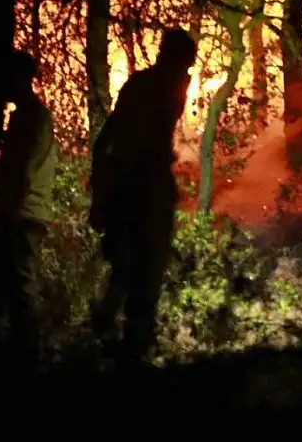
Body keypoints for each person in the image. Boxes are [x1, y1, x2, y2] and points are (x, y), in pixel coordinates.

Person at [89, 28, 197, 369]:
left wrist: (101, 190)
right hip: (141, 191)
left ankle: (110, 339)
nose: (188, 73)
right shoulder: (162, 88)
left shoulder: (146, 85)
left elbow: (110, 136)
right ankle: (128, 351)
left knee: (128, 273)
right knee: (142, 276)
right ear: (174, 60)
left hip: (133, 189)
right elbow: (126, 138)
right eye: (186, 65)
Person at [0, 51, 58, 370]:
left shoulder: (33, 117)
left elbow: (25, 167)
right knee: (8, 284)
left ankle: (29, 358)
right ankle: (19, 354)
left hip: (24, 214)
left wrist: (9, 210)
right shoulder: (25, 116)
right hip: (20, 212)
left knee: (20, 284)